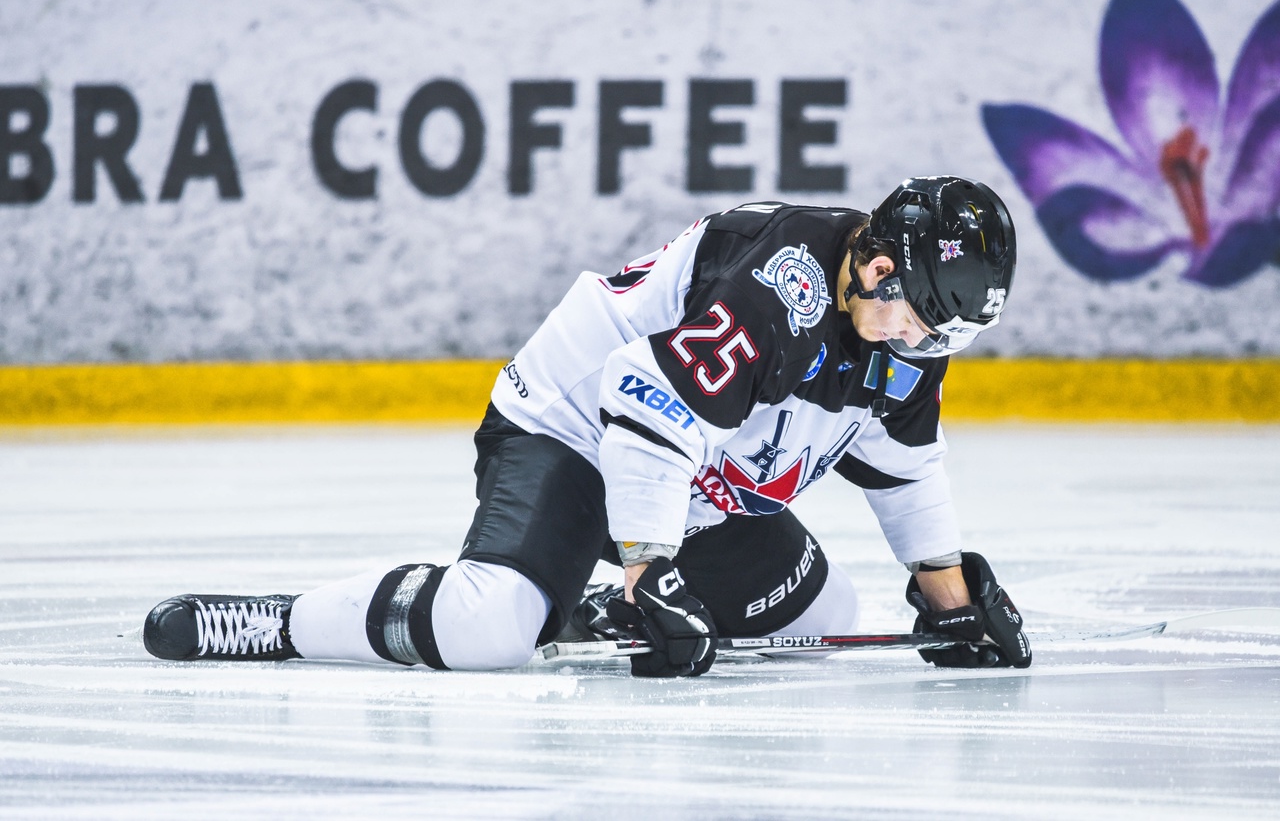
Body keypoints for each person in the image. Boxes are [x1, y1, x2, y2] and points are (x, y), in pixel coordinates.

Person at [142, 175, 1031, 677]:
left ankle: (599, 606)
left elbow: (901, 462)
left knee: (816, 618)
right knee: (489, 630)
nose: (932, 342)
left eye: (951, 329)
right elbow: (648, 398)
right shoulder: (784, 288)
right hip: (567, 426)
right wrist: (657, 573)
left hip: (683, 469)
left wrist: (949, 601)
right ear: (876, 268)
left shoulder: (895, 326)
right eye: (926, 317)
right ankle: (281, 622)